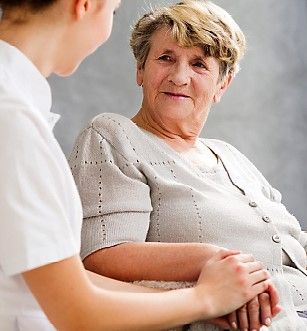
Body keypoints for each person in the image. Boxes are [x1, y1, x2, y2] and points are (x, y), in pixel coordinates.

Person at [0, 1, 279, 331]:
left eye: (199, 64)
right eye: (114, 11)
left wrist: (203, 299)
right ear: (85, 4)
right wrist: (204, 299)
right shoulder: (14, 119)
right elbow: (76, 307)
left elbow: (68, 281)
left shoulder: (17, 114)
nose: (180, 76)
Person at [69, 0, 307, 330]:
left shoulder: (231, 157)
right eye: (166, 58)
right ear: (141, 69)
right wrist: (213, 260)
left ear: (222, 85)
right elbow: (100, 256)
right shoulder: (113, 136)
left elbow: (293, 241)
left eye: (199, 64)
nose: (180, 77)